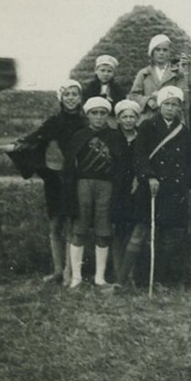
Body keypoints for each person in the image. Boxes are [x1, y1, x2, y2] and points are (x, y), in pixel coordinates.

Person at [0, 78, 86, 284]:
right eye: (67, 94)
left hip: (76, 180)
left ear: (80, 98)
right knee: (55, 224)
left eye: (75, 94)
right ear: (61, 98)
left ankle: (70, 272)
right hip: (54, 179)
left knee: (71, 225)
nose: (71, 98)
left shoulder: (85, 123)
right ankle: (58, 270)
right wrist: (9, 147)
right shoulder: (54, 122)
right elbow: (32, 140)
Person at [120, 85, 191, 287]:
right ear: (160, 105)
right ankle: (122, 279)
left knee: (167, 237)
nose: (171, 108)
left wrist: (189, 180)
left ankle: (158, 280)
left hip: (173, 190)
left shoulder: (183, 131)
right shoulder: (147, 126)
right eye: (167, 104)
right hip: (150, 188)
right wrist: (149, 176)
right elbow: (140, 155)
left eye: (175, 105)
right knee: (140, 231)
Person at [65, 97, 125, 293]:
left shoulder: (116, 136)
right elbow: (69, 165)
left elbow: (121, 165)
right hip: (83, 184)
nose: (99, 117)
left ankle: (100, 278)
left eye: (103, 113)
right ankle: (76, 278)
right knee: (79, 229)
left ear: (108, 115)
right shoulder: (79, 136)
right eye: (94, 113)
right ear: (87, 114)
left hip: (106, 186)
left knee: (103, 229)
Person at [111, 99, 141, 283]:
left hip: (136, 187)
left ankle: (130, 273)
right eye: (125, 116)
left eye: (132, 116)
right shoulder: (113, 138)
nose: (129, 120)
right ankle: (117, 271)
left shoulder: (142, 137)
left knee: (133, 230)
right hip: (117, 188)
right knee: (118, 231)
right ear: (118, 119)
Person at [129, 33, 189, 125]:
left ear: (169, 52)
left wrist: (161, 97)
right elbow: (133, 95)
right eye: (158, 50)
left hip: (172, 119)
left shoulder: (177, 73)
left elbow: (182, 96)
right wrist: (147, 100)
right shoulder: (144, 73)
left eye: (165, 50)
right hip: (149, 118)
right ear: (152, 52)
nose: (161, 53)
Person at [81, 54, 126, 120]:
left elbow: (120, 104)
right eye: (102, 70)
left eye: (109, 71)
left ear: (113, 73)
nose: (106, 74)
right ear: (96, 71)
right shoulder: (90, 87)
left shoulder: (116, 88)